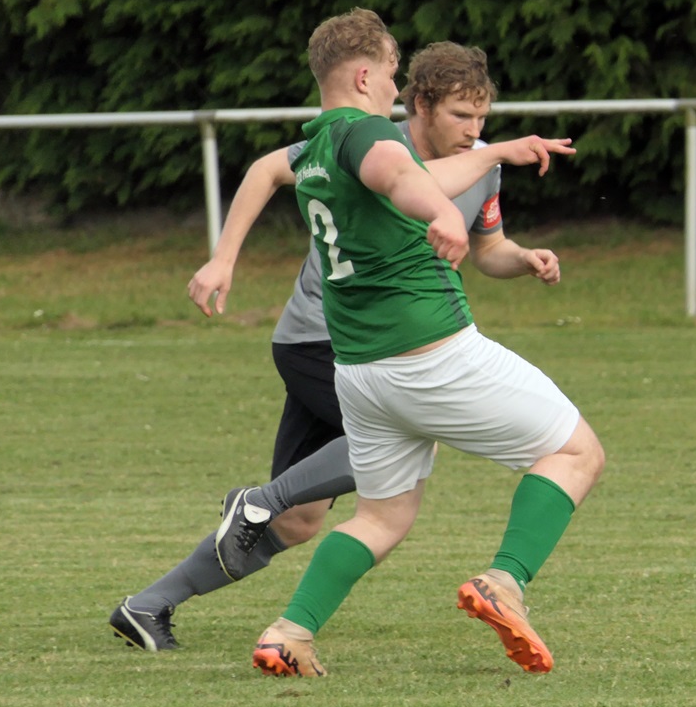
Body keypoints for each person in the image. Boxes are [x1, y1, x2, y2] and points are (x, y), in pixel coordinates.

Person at [108, 39, 567, 652]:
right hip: (327, 337)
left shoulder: (482, 164)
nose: (474, 130)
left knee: (300, 520)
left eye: (482, 117)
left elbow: (489, 249)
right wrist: (223, 258)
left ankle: (149, 604)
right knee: (408, 432)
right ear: (420, 104)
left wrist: (524, 259)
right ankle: (258, 503)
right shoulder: (367, 142)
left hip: (365, 345)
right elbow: (275, 169)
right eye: (461, 115)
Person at [250, 8, 604, 678]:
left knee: (383, 518)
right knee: (577, 451)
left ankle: (289, 631)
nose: (395, 86)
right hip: (429, 350)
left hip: (359, 370)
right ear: (365, 77)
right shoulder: (367, 133)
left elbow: (411, 176)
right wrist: (445, 210)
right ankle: (506, 579)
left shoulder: (317, 146)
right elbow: (405, 176)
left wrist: (487, 166)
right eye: (390, 72)